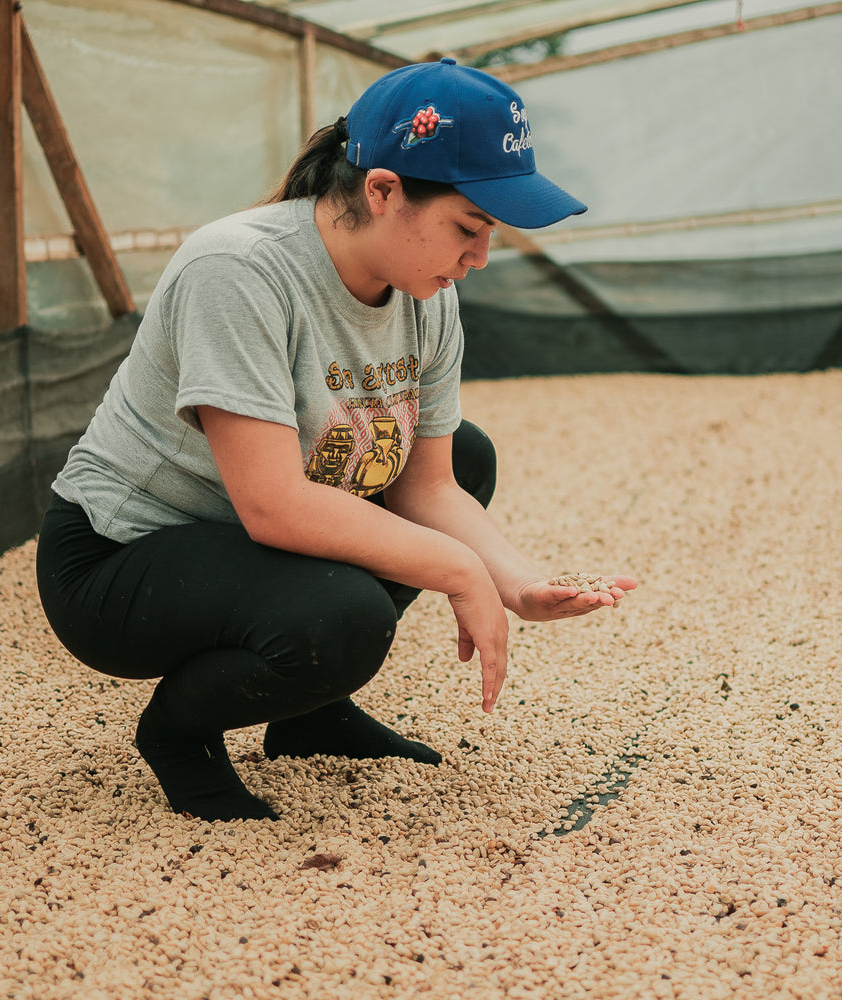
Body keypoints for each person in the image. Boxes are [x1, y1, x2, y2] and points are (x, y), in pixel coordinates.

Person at [34, 58, 636, 822]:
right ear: (382, 191)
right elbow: (275, 507)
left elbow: (429, 488)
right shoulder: (240, 269)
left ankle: (309, 711)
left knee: (466, 454)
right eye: (468, 229)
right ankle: (180, 733)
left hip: (245, 546)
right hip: (119, 559)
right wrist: (457, 568)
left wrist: (517, 585)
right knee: (346, 617)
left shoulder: (428, 295)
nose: (480, 258)